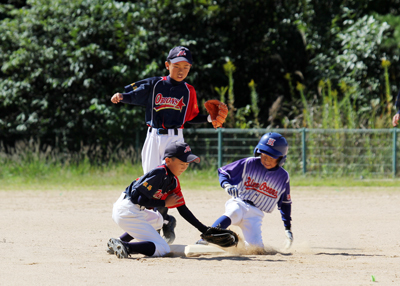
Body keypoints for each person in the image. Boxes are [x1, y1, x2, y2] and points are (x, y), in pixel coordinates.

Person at [110, 46, 212, 244]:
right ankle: (163, 222)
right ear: (167, 65)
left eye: (186, 66)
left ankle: (158, 226)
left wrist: (209, 118)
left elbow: (190, 117)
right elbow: (136, 95)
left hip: (175, 138)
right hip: (154, 136)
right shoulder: (156, 84)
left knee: (166, 183)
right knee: (150, 182)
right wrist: (122, 97)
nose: (181, 70)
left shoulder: (189, 91)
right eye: (176, 66)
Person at [107, 141, 209, 258]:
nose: (185, 167)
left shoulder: (172, 180)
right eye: (182, 163)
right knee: (163, 248)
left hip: (132, 210)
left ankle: (118, 242)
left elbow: (182, 209)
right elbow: (140, 200)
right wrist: (164, 203)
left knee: (157, 220)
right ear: (168, 161)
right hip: (127, 210)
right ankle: (126, 246)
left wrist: (204, 229)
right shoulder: (159, 173)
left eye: (187, 164)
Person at [196, 132, 293, 250]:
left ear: (281, 158)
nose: (266, 159)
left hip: (255, 214)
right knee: (234, 212)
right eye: (263, 154)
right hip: (240, 202)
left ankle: (234, 244)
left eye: (271, 156)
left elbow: (285, 204)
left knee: (256, 249)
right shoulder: (249, 163)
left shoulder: (283, 177)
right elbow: (224, 172)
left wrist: (287, 228)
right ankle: (205, 238)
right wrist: (226, 185)